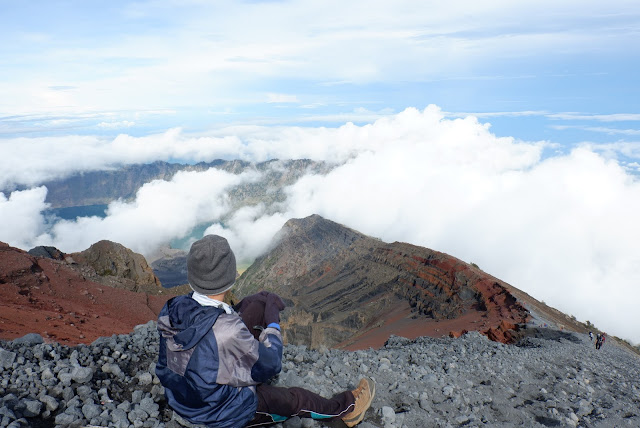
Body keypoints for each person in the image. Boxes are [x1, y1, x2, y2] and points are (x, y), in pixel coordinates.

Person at [156, 235, 375, 428]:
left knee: (255, 306)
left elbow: (195, 347)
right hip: (218, 412)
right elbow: (271, 364)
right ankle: (347, 409)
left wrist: (254, 304)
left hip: (182, 397)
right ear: (230, 276)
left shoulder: (173, 307)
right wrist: (272, 325)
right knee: (295, 400)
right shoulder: (227, 331)